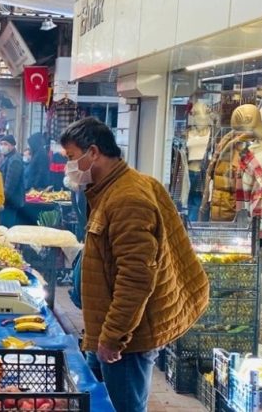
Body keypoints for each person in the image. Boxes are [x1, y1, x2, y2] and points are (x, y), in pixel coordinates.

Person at [61, 117, 209, 412]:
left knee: (124, 406)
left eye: (71, 158)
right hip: (107, 326)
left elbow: (136, 278)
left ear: (93, 152)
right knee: (101, 397)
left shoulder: (128, 199)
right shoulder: (112, 188)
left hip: (128, 337)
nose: (68, 166)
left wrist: (113, 337)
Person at [0, 135, 25, 227]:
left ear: (12, 145)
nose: (2, 146)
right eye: (1, 144)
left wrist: (1, 201)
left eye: (5, 144)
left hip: (11, 203)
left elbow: (10, 186)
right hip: (8, 202)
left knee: (7, 228)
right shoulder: (7, 157)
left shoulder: (14, 160)